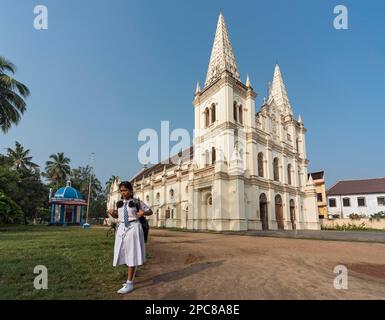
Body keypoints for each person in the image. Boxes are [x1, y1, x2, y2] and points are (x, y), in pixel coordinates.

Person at [108, 181, 153, 294]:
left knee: (132, 254)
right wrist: (112, 213)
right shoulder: (119, 203)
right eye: (121, 191)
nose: (123, 193)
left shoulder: (136, 202)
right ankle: (131, 276)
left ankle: (129, 283)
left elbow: (150, 211)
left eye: (125, 190)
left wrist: (142, 213)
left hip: (133, 227)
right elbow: (119, 215)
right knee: (121, 253)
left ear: (131, 191)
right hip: (122, 228)